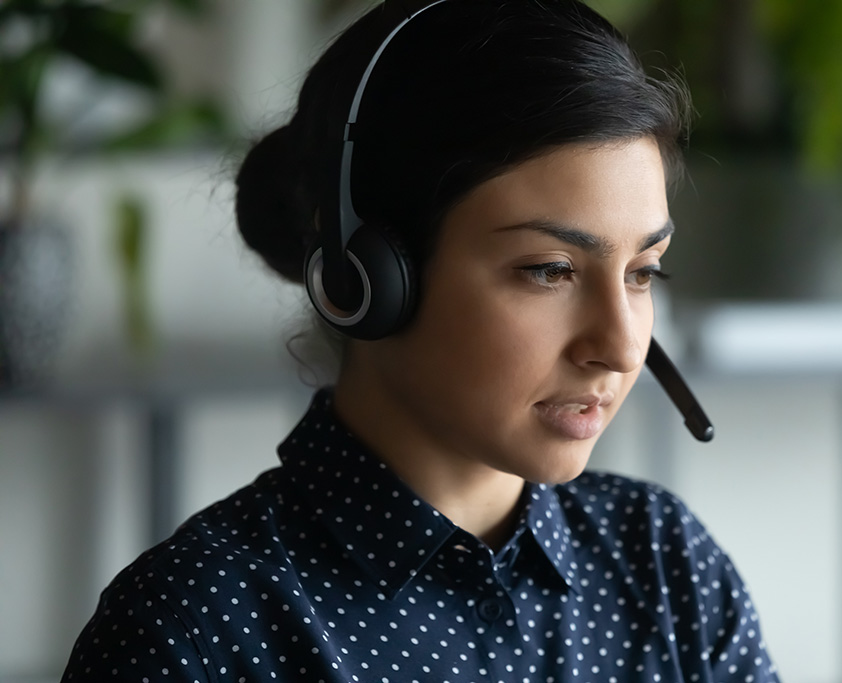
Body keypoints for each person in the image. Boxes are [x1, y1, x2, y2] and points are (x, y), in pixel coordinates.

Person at [61, 0, 781, 681]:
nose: (619, 347)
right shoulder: (195, 625)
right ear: (365, 277)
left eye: (642, 271)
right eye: (550, 270)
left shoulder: (664, 563)